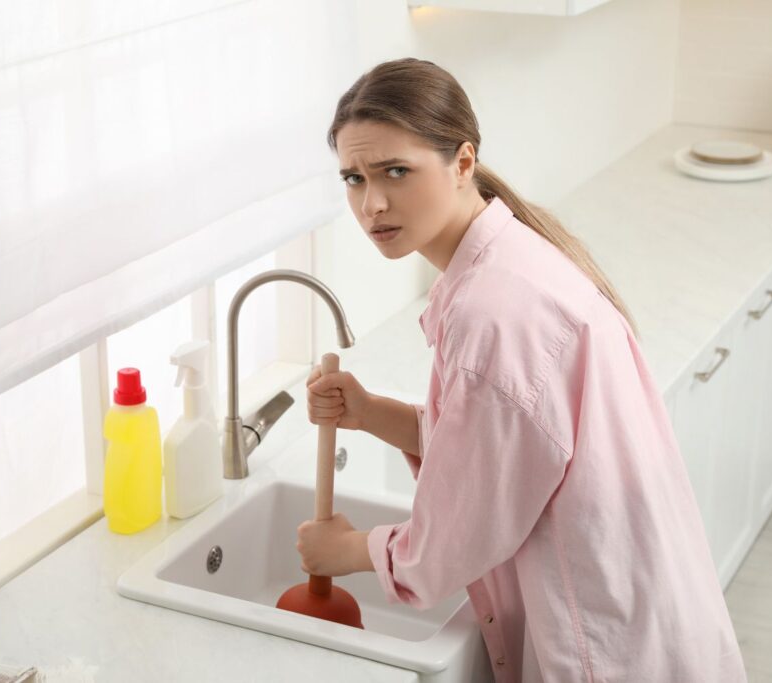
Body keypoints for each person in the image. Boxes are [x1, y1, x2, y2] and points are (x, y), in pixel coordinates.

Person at [294, 57, 747, 682]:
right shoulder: (504, 266)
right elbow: (501, 446)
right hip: (642, 608)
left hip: (603, 643)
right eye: (352, 178)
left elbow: (450, 542)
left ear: (462, 163)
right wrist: (371, 414)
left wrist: (345, 550)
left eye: (396, 171)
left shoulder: (495, 313)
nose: (372, 203)